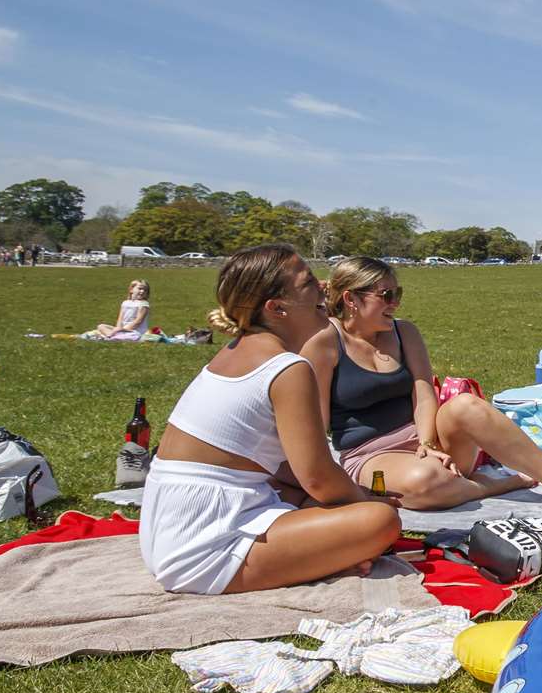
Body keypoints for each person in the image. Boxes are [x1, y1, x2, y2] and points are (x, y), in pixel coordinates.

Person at [139, 244, 402, 595]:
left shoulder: (236, 351)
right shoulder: (288, 368)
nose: (324, 286)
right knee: (380, 522)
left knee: (322, 504)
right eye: (308, 282)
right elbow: (319, 477)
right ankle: (323, 560)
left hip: (172, 524)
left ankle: (319, 555)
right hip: (204, 546)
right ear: (276, 308)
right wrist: (368, 501)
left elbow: (290, 471)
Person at [301, 256, 542, 518]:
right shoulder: (325, 343)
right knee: (423, 482)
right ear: (351, 299)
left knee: (466, 405)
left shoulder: (404, 332)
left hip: (427, 440)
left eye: (398, 293)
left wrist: (427, 444)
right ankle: (490, 485)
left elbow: (424, 390)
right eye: (386, 295)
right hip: (369, 455)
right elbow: (316, 422)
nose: (395, 302)